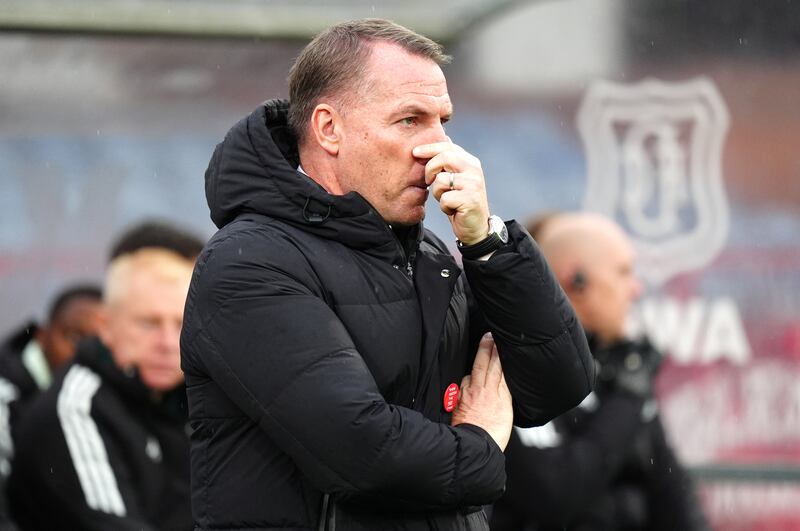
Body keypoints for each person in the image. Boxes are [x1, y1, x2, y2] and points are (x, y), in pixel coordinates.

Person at [180, 18, 594, 531]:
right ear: (329, 129)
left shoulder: (433, 255)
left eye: (442, 121)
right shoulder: (247, 262)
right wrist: (483, 444)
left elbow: (556, 385)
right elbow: (363, 453)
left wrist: (487, 244)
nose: (440, 149)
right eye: (409, 120)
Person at [490, 212, 709, 531]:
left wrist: (630, 392)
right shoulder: (513, 369)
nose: (635, 289)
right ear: (574, 281)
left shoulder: (621, 371)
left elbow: (675, 500)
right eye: (623, 272)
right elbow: (554, 493)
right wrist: (628, 401)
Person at [8, 235, 201, 530]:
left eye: (181, 323)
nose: (167, 343)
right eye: (148, 323)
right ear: (106, 326)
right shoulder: (77, 406)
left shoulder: (189, 395)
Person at [0, 284, 103, 530]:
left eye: (98, 344)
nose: (83, 353)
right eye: (74, 337)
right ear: (42, 335)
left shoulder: (105, 395)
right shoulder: (5, 399)